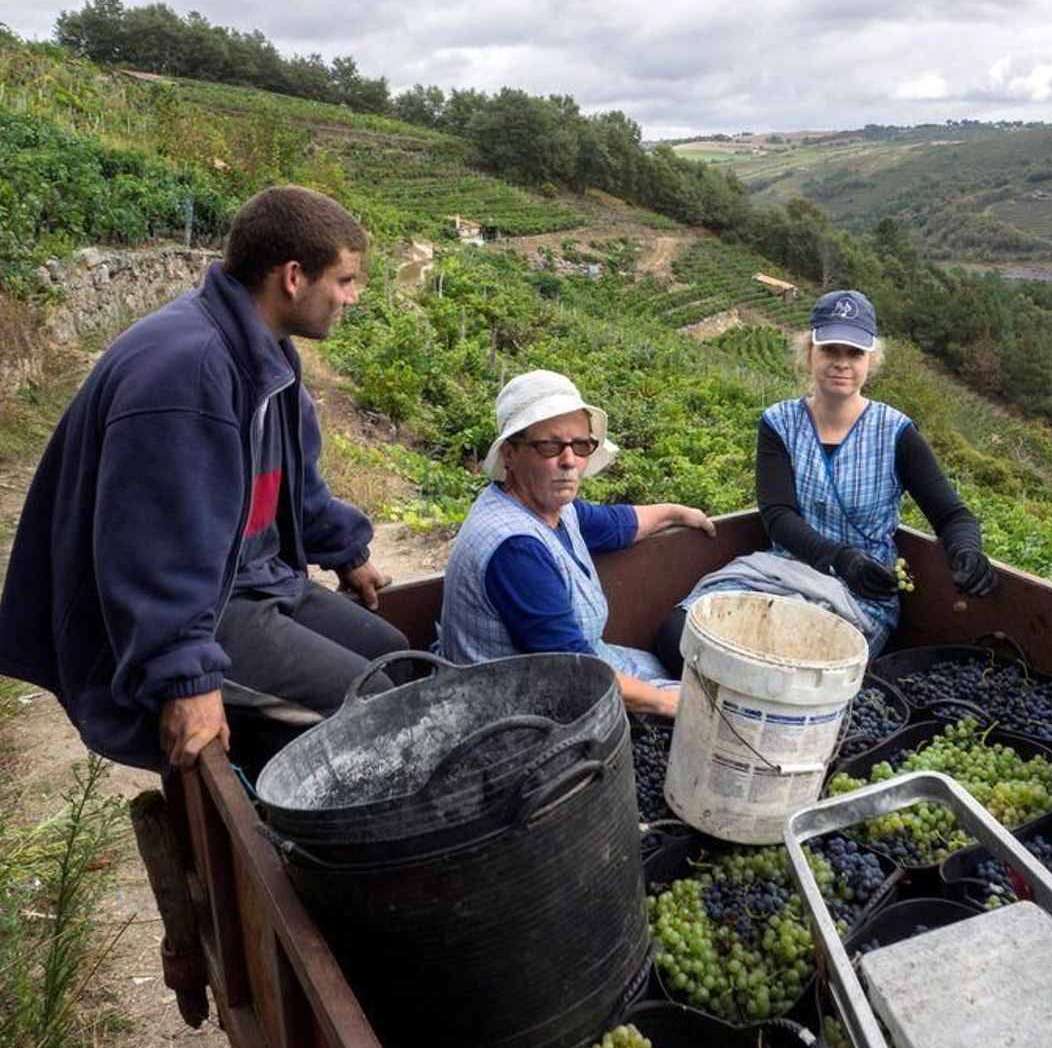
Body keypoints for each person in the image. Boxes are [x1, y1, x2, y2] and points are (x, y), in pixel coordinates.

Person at [0, 185, 408, 772]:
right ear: (294, 277)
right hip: (206, 606)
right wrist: (185, 674)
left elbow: (295, 481)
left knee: (394, 657)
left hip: (252, 582)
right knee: (374, 702)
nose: (354, 296)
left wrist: (345, 550)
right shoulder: (187, 373)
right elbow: (152, 548)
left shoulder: (269, 353)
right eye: (345, 280)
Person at [659, 289, 998, 671]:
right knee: (679, 636)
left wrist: (966, 551)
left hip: (860, 592)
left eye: (854, 353)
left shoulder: (895, 432)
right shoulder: (780, 423)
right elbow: (779, 515)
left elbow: (952, 515)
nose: (842, 363)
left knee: (791, 673)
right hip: (783, 569)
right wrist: (839, 558)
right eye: (830, 350)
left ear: (871, 360)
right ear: (809, 353)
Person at [437, 370, 714, 717]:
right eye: (550, 445)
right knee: (704, 707)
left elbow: (617, 524)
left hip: (575, 673)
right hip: (521, 715)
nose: (569, 460)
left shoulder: (554, 508)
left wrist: (675, 513)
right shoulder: (516, 549)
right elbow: (576, 670)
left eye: (581, 445)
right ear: (510, 454)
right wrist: (670, 703)